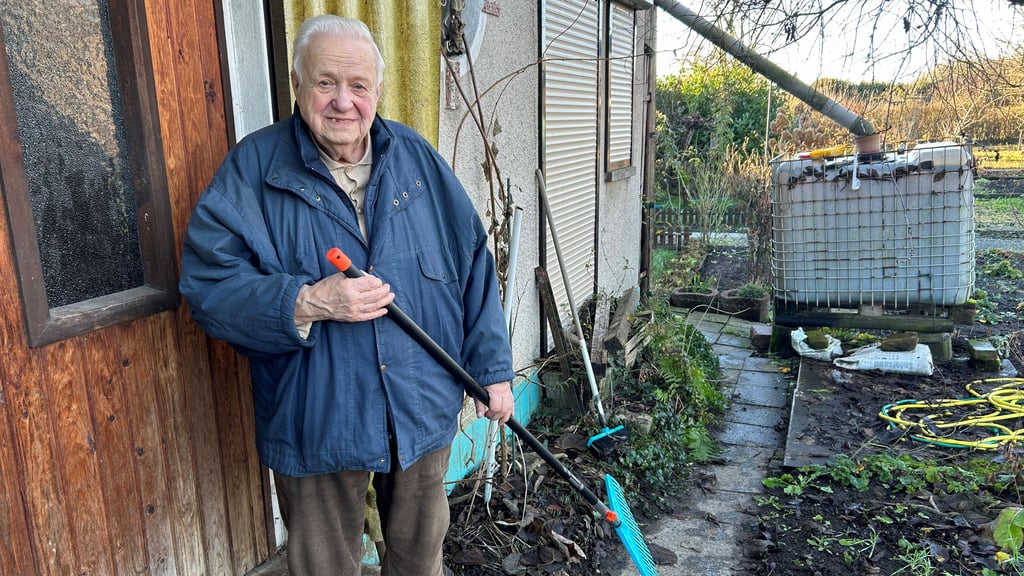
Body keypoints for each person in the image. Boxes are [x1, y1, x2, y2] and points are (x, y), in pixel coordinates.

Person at [178, 15, 515, 576]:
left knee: (419, 559)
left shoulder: (417, 161)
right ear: (296, 83)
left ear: (376, 91)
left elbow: (473, 262)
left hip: (419, 401)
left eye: (358, 86)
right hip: (318, 415)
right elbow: (209, 286)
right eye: (325, 83)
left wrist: (493, 370)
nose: (343, 102)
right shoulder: (253, 171)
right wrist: (309, 301)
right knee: (323, 566)